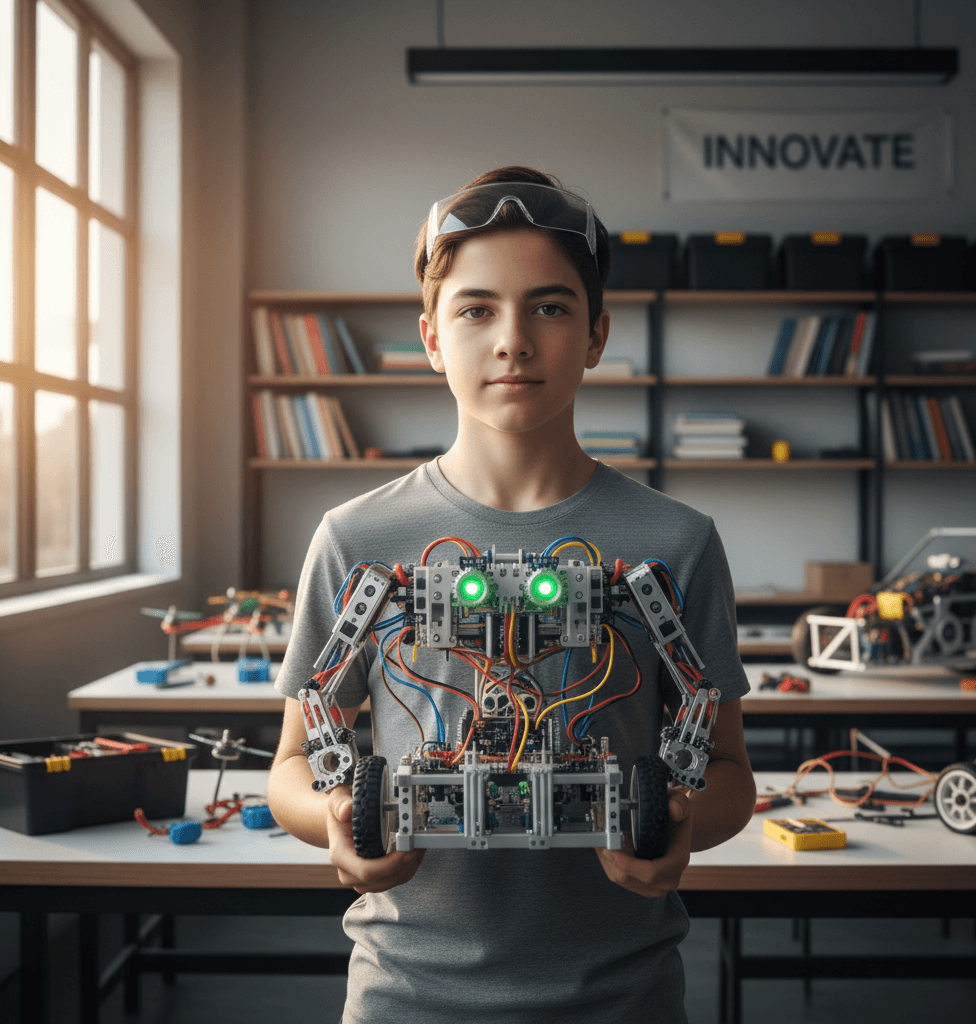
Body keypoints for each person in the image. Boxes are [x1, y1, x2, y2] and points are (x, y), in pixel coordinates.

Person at [267, 165, 756, 1024]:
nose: (514, 340)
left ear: (598, 333)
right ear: (430, 337)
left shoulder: (675, 542)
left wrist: (674, 824)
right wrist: (337, 821)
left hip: (621, 995)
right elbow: (291, 765)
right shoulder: (355, 542)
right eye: (477, 308)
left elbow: (728, 772)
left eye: (551, 307)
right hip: (406, 994)